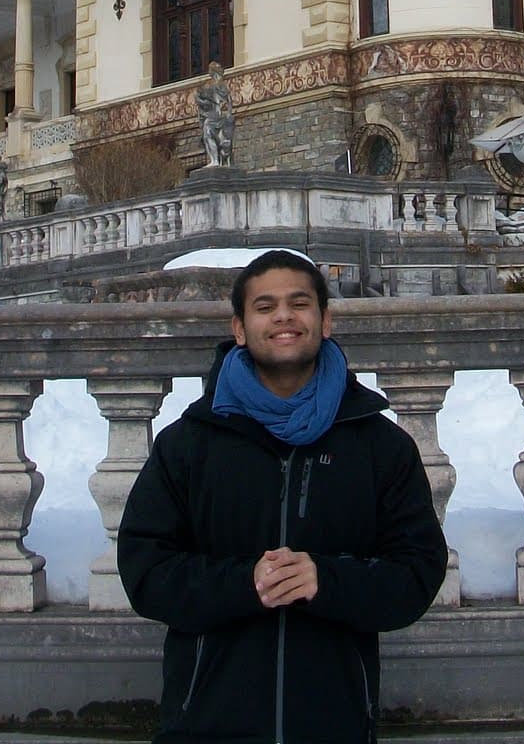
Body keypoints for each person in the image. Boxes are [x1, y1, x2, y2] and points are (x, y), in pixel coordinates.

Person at [118, 250, 447, 744]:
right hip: (206, 726)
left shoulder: (378, 444)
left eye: (299, 303)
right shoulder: (189, 443)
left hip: (335, 725)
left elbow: (417, 573)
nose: (284, 317)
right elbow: (145, 569)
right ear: (240, 328)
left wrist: (326, 580)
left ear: (325, 320)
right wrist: (244, 583)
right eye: (265, 306)